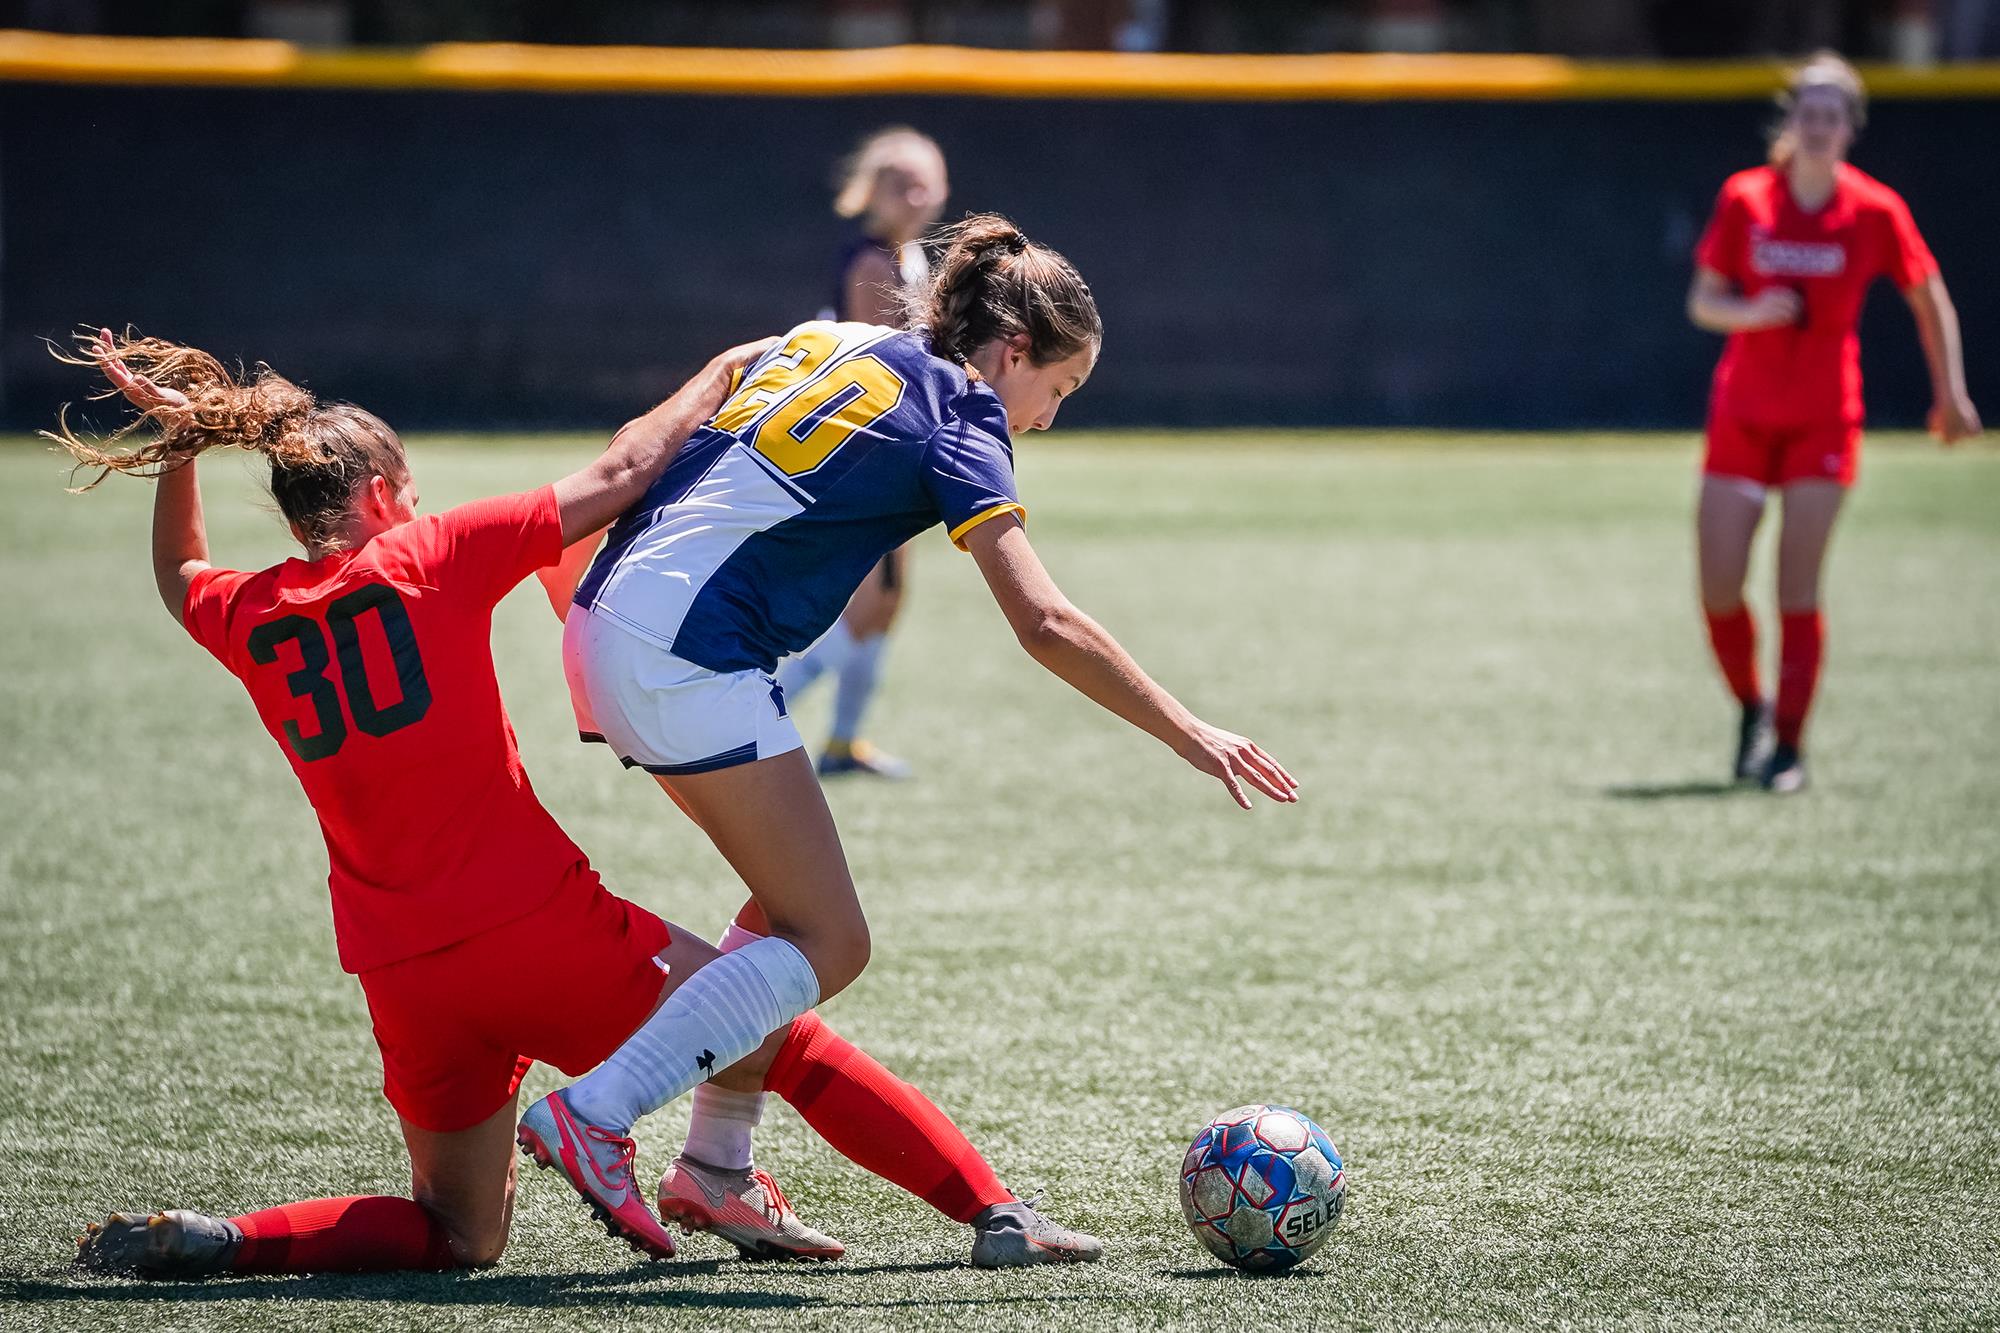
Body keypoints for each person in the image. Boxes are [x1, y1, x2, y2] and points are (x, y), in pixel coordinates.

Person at [55, 329, 1091, 1278]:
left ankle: (228, 1239)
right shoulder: (426, 555)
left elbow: (180, 569)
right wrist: (719, 374)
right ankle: (993, 1206)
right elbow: (621, 474)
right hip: (533, 927)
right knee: (779, 1027)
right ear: (381, 491)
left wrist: (180, 447)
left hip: (400, 970)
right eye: (408, 490)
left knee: (460, 1232)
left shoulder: (247, 611)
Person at [525, 215, 1300, 1246]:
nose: (1047, 419)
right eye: (1059, 389)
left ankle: (715, 1166)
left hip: (612, 618)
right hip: (683, 655)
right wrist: (1186, 728)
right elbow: (1045, 622)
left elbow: (725, 369)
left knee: (783, 902)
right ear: (1012, 350)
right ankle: (596, 1113)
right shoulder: (965, 415)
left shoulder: (834, 338)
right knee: (831, 940)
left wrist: (590, 519)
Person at [1687, 51, 1980, 793]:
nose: (1818, 126)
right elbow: (1703, 301)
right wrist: (1751, 311)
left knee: (1797, 585)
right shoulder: (1747, 198)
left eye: (1832, 114)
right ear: (1790, 120)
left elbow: (1929, 297)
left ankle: (1788, 747)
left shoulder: (1874, 210)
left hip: (1823, 419)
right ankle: (1751, 706)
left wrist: (1950, 393)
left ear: (1851, 127)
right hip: (1743, 414)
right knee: (1719, 584)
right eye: (1807, 112)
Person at [780, 126, 952, 779]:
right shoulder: (873, 265)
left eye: (925, 182)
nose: (917, 195)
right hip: (865, 453)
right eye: (901, 183)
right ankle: (745, 714)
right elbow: (882, 373)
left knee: (885, 602)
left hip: (899, 452)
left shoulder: (912, 258)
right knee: (865, 604)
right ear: (871, 191)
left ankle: (844, 742)